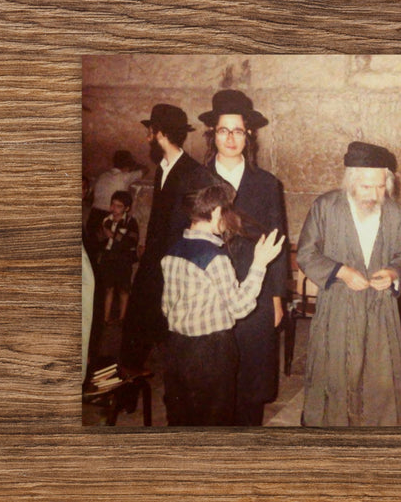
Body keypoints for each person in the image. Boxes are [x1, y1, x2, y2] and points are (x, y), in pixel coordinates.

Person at [296, 142, 401, 427]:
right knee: (335, 373)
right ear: (351, 182)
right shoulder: (325, 207)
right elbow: (306, 252)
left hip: (380, 309)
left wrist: (392, 272)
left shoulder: (397, 214)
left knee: (380, 379)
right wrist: (339, 271)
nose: (374, 195)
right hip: (338, 306)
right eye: (366, 187)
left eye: (380, 187)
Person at [162, 184, 286, 426]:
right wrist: (259, 264)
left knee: (182, 415)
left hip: (177, 348)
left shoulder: (173, 252)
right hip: (212, 351)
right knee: (215, 417)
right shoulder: (215, 257)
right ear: (217, 212)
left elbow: (166, 307)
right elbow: (239, 307)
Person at [199, 89, 288, 426]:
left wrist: (277, 297)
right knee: (214, 376)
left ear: (248, 135)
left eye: (238, 130)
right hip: (210, 292)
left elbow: (277, 239)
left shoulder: (266, 184)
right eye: (224, 130)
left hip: (256, 291)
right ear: (213, 134)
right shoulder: (197, 179)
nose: (231, 137)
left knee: (251, 377)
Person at [119, 104, 214, 374]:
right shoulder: (163, 167)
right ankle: (128, 383)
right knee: (138, 321)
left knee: (167, 330)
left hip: (176, 263)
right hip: (155, 259)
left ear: (158, 132)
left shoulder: (192, 172)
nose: (147, 136)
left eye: (150, 130)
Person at [84, 149, 144, 261]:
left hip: (93, 216)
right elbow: (146, 170)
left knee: (91, 254)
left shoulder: (102, 176)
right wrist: (134, 165)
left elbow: (90, 198)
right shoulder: (125, 176)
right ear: (128, 165)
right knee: (110, 250)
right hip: (109, 216)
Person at [95, 190, 139, 323]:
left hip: (123, 259)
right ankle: (106, 318)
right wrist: (103, 235)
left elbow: (131, 241)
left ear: (127, 208)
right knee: (108, 288)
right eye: (112, 204)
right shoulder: (106, 220)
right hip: (108, 258)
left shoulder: (131, 222)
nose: (114, 208)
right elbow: (98, 239)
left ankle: (122, 318)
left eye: (119, 206)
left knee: (124, 290)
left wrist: (113, 235)